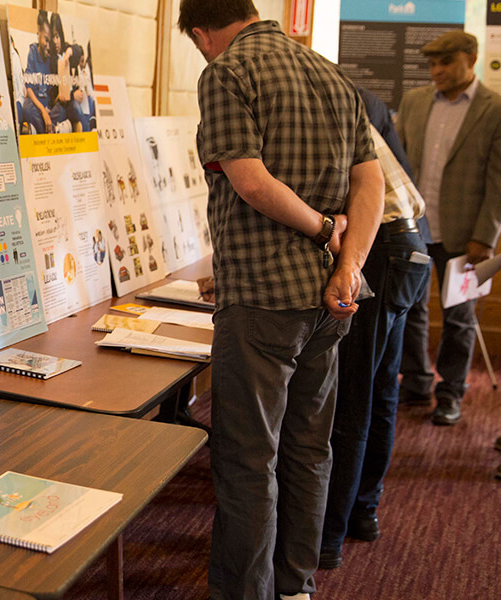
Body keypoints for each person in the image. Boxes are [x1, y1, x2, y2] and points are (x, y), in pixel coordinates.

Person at [180, 1, 383, 599]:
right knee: (307, 448)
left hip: (262, 298)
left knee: (248, 460)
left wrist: (323, 228)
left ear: (201, 33)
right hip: (328, 300)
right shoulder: (332, 74)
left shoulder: (227, 72)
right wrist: (347, 264)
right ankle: (294, 586)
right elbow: (369, 181)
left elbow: (248, 179)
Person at [319, 87, 432, 570]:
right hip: (411, 244)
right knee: (382, 389)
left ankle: (329, 536)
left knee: (354, 398)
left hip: (382, 246)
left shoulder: (323, 106)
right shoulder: (358, 99)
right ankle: (363, 512)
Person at [396, 31, 501, 426]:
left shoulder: (495, 108)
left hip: (468, 238)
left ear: (470, 59)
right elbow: (401, 168)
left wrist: (486, 237)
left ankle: (451, 392)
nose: (436, 71)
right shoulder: (415, 102)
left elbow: (499, 180)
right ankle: (417, 381)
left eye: (445, 62)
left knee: (460, 318)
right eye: (432, 64)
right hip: (414, 232)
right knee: (410, 311)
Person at [17, 10, 64, 134]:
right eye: (46, 40)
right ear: (38, 33)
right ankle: (48, 130)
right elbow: (29, 89)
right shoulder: (33, 53)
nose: (48, 45)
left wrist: (50, 108)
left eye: (51, 42)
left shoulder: (52, 58)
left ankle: (45, 128)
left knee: (64, 109)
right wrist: (43, 111)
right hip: (37, 106)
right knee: (27, 108)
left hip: (50, 108)